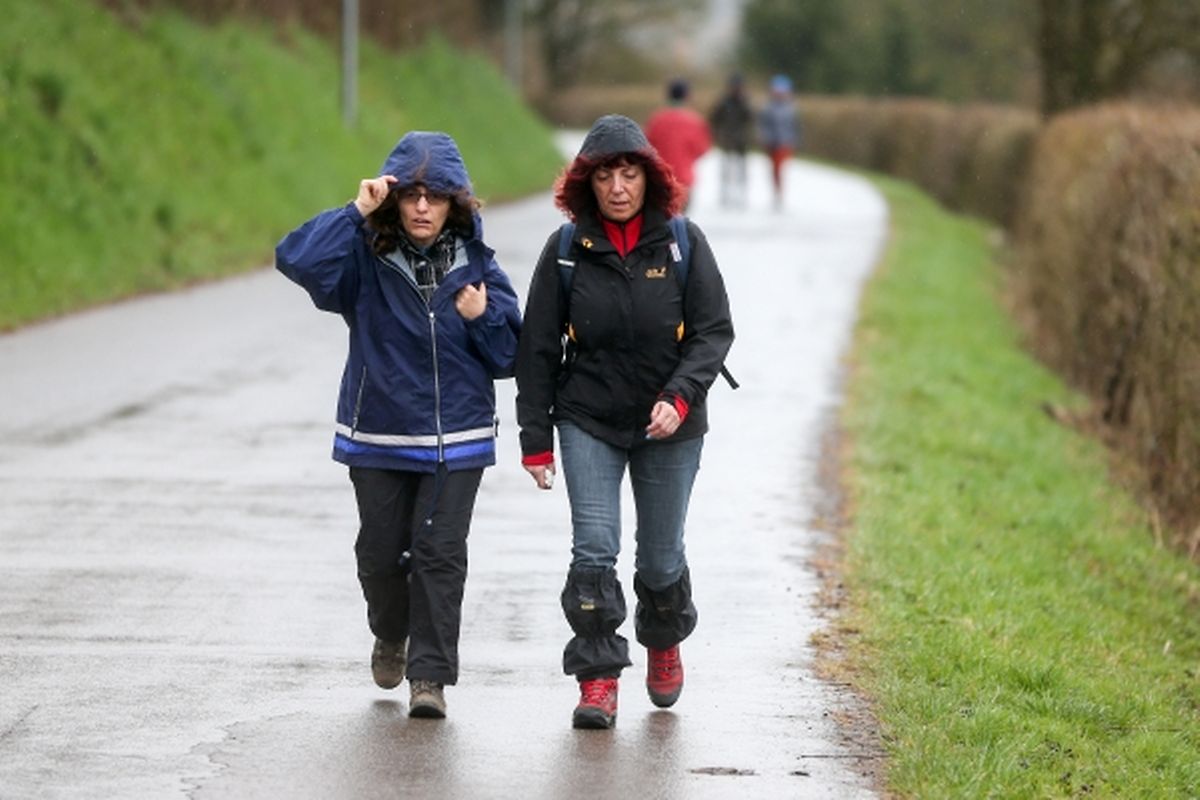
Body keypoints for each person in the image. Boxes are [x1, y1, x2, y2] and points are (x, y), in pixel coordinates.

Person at [275, 131, 521, 719]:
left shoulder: (480, 270)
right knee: (381, 558)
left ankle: (429, 679)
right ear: (391, 200)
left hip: (454, 444)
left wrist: (483, 317)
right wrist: (355, 211)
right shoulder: (360, 261)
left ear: (453, 205)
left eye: (433, 197)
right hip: (378, 436)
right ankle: (390, 632)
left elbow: (511, 357)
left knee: (439, 555)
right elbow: (296, 259)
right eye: (408, 194)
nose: (420, 207)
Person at [515, 114, 734, 729]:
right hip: (588, 418)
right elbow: (536, 348)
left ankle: (662, 637)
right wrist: (536, 440)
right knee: (594, 550)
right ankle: (598, 679)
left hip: (672, 424)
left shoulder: (683, 243)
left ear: (648, 178)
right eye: (605, 175)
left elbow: (714, 332)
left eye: (628, 173)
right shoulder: (564, 253)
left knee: (661, 559)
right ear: (587, 184)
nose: (617, 187)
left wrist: (681, 397)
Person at [643, 78, 712, 211]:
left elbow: (646, 146)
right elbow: (702, 148)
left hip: (659, 179)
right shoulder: (695, 121)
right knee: (681, 223)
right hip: (684, 180)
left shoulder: (656, 120)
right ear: (687, 96)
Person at [708, 72, 754, 208]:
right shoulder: (724, 102)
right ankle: (725, 193)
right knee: (726, 169)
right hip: (727, 139)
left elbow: (751, 118)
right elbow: (714, 118)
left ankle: (741, 194)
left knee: (741, 169)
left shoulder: (744, 101)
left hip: (741, 140)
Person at [758, 73, 801, 210]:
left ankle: (780, 193)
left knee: (780, 168)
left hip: (785, 143)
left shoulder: (791, 108)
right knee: (774, 170)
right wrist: (764, 137)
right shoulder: (768, 107)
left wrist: (795, 140)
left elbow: (796, 126)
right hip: (772, 143)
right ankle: (777, 192)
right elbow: (763, 125)